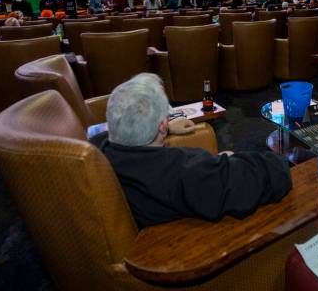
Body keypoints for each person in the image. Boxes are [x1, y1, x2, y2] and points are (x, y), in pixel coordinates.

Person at [91, 73, 292, 229]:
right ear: (162, 124)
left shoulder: (96, 150)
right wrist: (228, 162)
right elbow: (276, 174)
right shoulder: (187, 173)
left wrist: (168, 127)